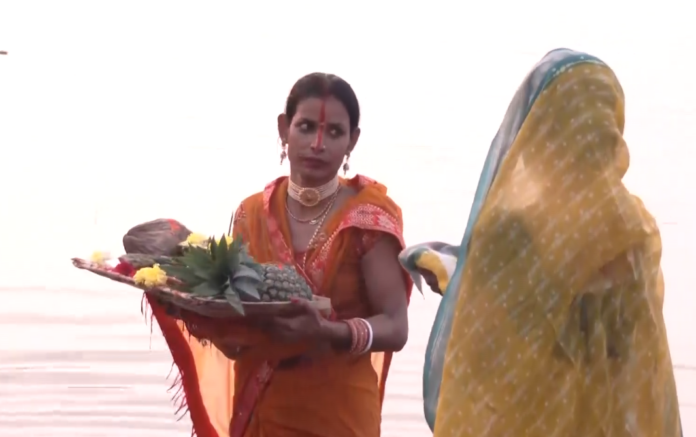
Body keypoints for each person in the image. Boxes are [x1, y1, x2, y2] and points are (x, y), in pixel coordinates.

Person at [400, 49, 682, 436]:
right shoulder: (633, 226)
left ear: (540, 127)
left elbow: (487, 334)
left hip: (528, 417)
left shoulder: (507, 225)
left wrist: (452, 279)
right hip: (607, 420)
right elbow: (634, 347)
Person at [145, 72, 412, 437]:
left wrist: (330, 333)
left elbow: (395, 327)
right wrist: (195, 312)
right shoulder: (251, 213)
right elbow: (239, 324)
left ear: (353, 140)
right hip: (261, 411)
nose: (318, 144)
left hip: (338, 416)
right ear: (284, 129)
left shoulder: (368, 217)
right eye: (305, 127)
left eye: (334, 132)